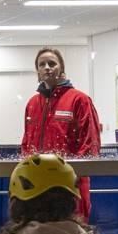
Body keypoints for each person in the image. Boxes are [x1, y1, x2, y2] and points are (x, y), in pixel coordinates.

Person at [20, 48, 103, 221]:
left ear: (61, 68)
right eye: (42, 64)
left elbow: (90, 146)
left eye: (52, 63)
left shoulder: (79, 100)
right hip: (38, 184)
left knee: (72, 233)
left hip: (70, 185)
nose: (47, 67)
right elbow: (27, 144)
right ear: (37, 71)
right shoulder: (33, 104)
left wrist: (71, 176)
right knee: (39, 233)